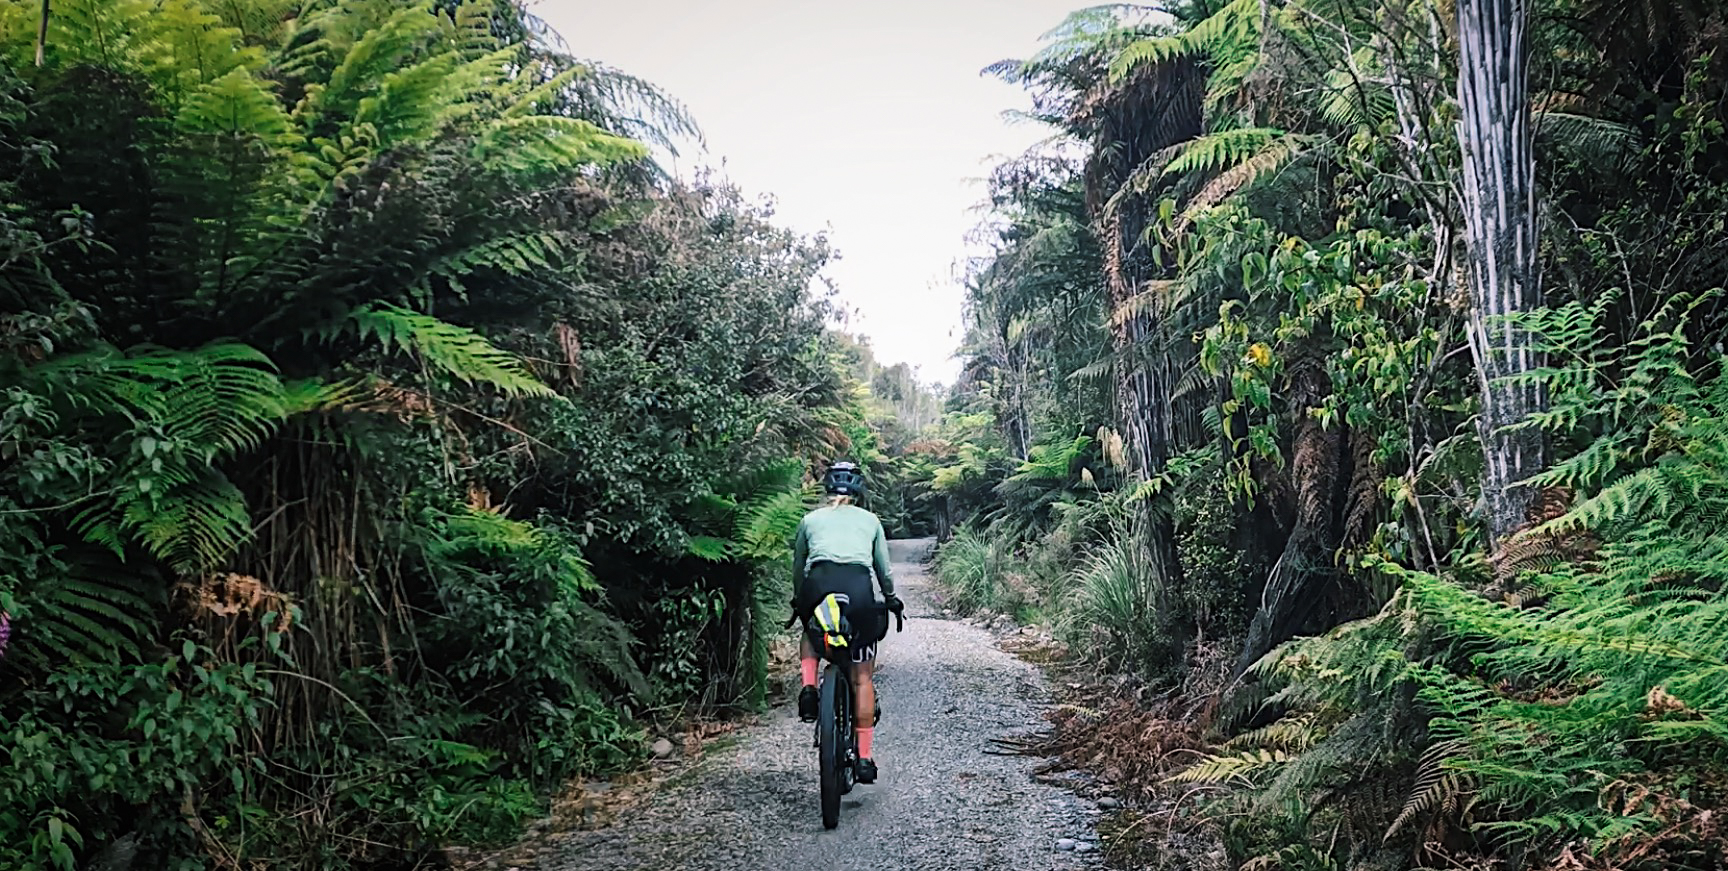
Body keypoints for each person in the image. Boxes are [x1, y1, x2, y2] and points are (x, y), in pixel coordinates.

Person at [790, 460, 903, 784]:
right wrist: (891, 598)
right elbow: (884, 569)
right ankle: (865, 757)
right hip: (857, 590)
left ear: (827, 488)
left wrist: (801, 600)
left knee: (810, 631)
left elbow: (799, 565)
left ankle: (810, 688)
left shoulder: (809, 520)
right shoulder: (870, 521)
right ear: (858, 490)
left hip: (818, 584)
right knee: (862, 677)